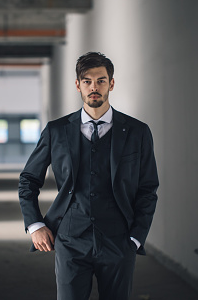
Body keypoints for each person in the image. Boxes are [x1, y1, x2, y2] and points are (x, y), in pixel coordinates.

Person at [18, 52, 159, 300]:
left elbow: (148, 188)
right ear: (78, 85)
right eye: (87, 81)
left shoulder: (137, 132)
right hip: (71, 240)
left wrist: (136, 238)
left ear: (111, 84)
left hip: (119, 241)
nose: (94, 87)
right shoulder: (56, 131)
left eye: (101, 81)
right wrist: (35, 225)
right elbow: (28, 180)